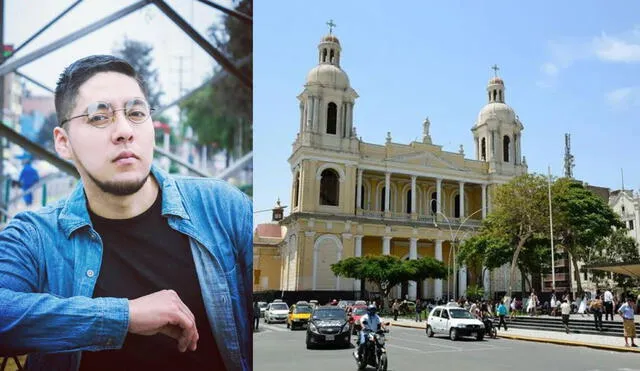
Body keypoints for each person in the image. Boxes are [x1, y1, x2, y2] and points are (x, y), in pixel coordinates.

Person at [0, 56, 252, 371]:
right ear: (63, 143)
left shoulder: (225, 209)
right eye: (99, 117)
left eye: (136, 113)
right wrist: (123, 316)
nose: (123, 131)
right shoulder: (36, 236)